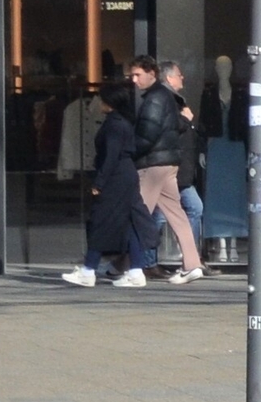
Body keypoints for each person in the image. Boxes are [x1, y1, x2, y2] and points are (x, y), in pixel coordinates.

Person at [63, 83, 154, 287]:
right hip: (125, 175)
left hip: (116, 177)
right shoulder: (123, 122)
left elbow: (110, 156)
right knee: (128, 223)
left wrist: (99, 182)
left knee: (100, 221)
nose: (98, 102)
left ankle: (88, 270)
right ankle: (136, 271)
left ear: (109, 102)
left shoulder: (114, 124)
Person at [128, 55, 201, 283]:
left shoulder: (155, 99)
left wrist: (129, 153)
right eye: (132, 75)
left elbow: (147, 134)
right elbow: (178, 124)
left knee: (135, 213)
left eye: (138, 74)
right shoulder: (168, 98)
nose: (134, 80)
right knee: (177, 216)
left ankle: (130, 267)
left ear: (152, 73)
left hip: (153, 164)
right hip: (168, 163)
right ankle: (192, 264)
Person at [161, 61, 205, 252]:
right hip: (171, 167)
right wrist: (186, 119)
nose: (182, 78)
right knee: (159, 215)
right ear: (169, 78)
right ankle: (141, 258)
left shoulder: (176, 99)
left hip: (181, 170)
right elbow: (169, 128)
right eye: (179, 75)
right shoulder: (166, 100)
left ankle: (191, 256)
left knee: (194, 208)